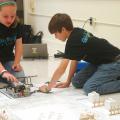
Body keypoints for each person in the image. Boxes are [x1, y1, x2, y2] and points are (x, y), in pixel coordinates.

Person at [39, 13, 120, 95]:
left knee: (89, 88)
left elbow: (61, 69)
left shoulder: (73, 42)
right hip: (100, 62)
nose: (55, 37)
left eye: (55, 34)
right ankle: (112, 77)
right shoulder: (77, 31)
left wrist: (48, 87)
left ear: (63, 29)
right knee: (76, 81)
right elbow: (75, 59)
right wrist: (68, 81)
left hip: (114, 62)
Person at [0, 0, 25, 87]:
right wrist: (3, 71)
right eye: (5, 16)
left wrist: (16, 62)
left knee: (20, 78)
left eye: (12, 16)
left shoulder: (17, 24)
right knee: (6, 76)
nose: (9, 19)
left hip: (7, 60)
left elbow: (19, 45)